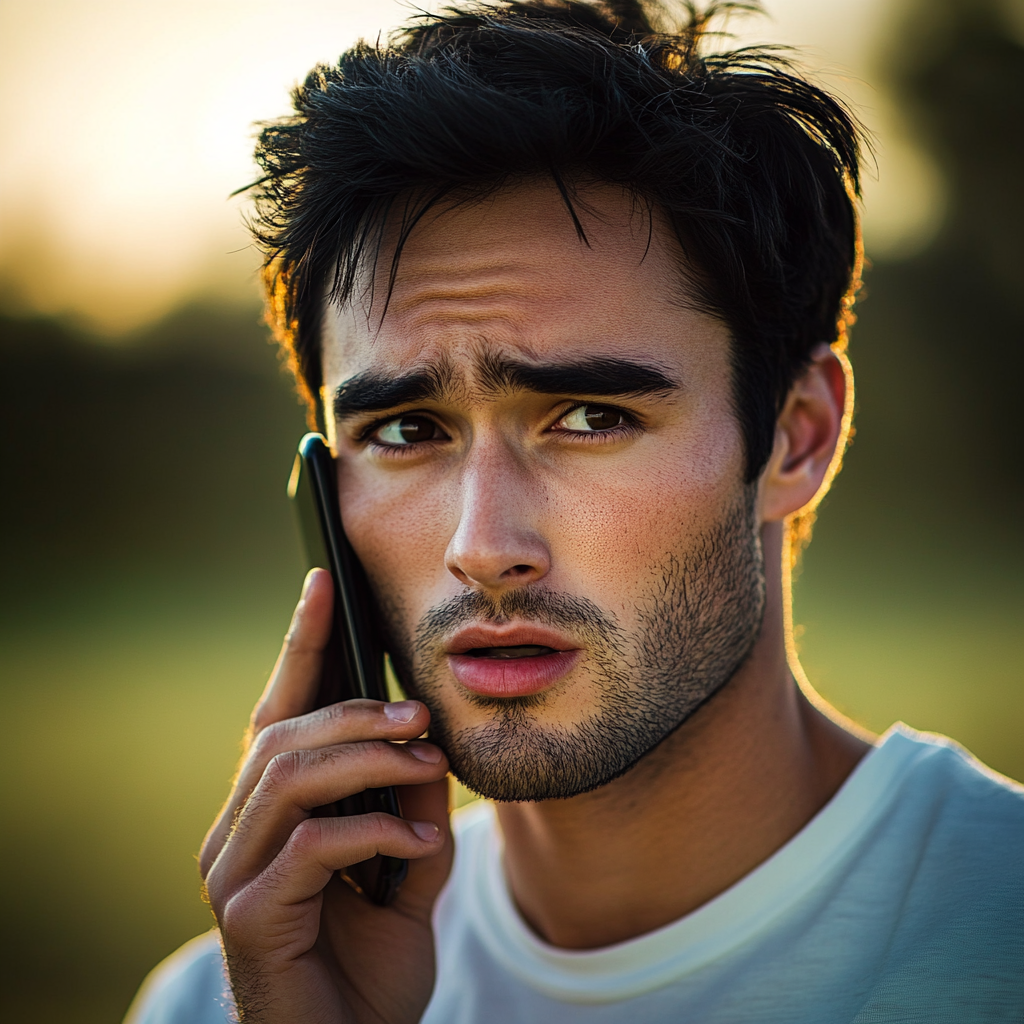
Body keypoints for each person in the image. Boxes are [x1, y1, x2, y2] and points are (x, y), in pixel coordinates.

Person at [125, 1, 1024, 1020]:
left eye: (590, 416)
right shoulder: (230, 996)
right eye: (408, 431)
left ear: (796, 433)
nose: (482, 548)